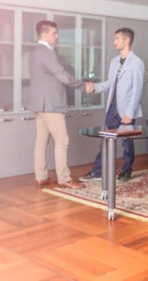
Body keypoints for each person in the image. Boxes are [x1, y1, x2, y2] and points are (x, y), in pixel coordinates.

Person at [30, 20, 93, 189]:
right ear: (44, 34)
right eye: (54, 33)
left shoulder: (36, 51)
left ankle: (41, 176)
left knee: (41, 141)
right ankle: (64, 179)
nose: (57, 36)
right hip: (51, 104)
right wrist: (82, 85)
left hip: (40, 104)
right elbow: (63, 75)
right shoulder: (47, 52)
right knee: (62, 140)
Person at [79, 28, 144, 182]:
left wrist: (129, 113)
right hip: (112, 109)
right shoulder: (115, 61)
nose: (114, 42)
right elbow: (110, 83)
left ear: (127, 40)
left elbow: (137, 90)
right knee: (105, 142)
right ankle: (98, 171)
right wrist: (95, 87)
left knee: (127, 143)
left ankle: (126, 171)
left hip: (126, 111)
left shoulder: (137, 62)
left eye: (117, 38)